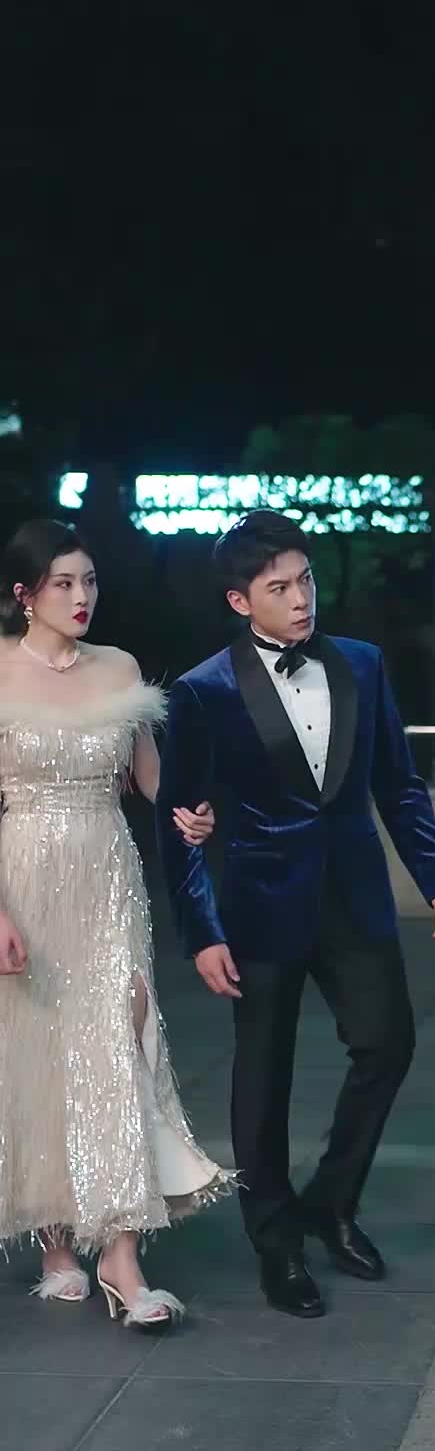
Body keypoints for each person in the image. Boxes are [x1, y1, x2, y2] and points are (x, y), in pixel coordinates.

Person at [156, 510, 435, 1319]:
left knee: (388, 1043)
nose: (301, 599)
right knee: (263, 1075)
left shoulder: (362, 663)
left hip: (355, 895)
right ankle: (276, 1241)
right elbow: (177, 821)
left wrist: (434, 874)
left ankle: (330, 1201)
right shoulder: (204, 689)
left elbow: (398, 782)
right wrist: (201, 931)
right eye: (280, 587)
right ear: (239, 601)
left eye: (307, 580)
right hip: (259, 905)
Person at [0, 518, 230, 1329]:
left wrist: (189, 817)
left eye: (89, 580)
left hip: (107, 880)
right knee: (36, 1052)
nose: (82, 596)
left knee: (120, 1041)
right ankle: (56, 1239)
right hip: (23, 876)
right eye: (63, 583)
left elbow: (150, 780)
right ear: (25, 594)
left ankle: (122, 1257)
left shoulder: (120, 668)